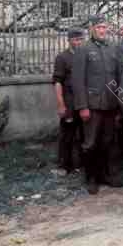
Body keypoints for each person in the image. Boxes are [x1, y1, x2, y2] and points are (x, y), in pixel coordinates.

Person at [72, 15, 123, 194]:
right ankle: (91, 178)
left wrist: (119, 103)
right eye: (99, 27)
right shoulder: (83, 49)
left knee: (108, 141)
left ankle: (105, 175)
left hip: (110, 103)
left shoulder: (113, 48)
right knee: (90, 143)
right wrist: (82, 106)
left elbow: (118, 76)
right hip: (92, 105)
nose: (102, 30)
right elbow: (77, 81)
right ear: (92, 28)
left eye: (104, 27)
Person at [53, 26, 85, 172]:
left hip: (83, 101)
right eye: (75, 39)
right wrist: (61, 104)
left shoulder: (85, 56)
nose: (78, 42)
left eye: (81, 39)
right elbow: (57, 82)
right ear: (69, 40)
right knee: (67, 135)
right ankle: (64, 165)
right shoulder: (62, 57)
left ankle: (79, 164)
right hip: (69, 101)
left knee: (82, 135)